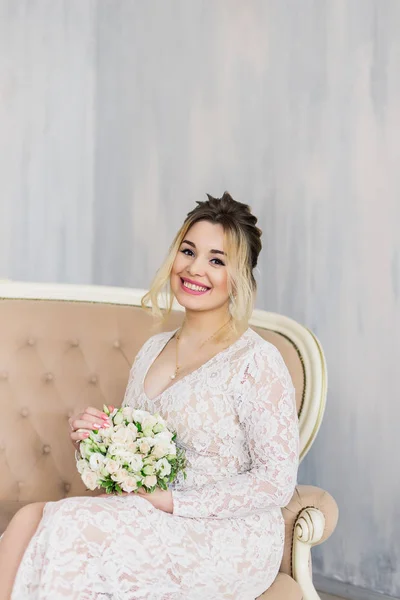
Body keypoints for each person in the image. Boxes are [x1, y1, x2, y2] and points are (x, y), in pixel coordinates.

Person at [0, 192, 299, 600]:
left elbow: (276, 482)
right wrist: (97, 445)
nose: (195, 268)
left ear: (240, 276)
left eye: (217, 259)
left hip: (228, 537)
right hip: (149, 513)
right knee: (28, 520)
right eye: (188, 251)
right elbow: (133, 466)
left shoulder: (256, 361)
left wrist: (174, 502)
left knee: (72, 524)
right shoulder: (150, 352)